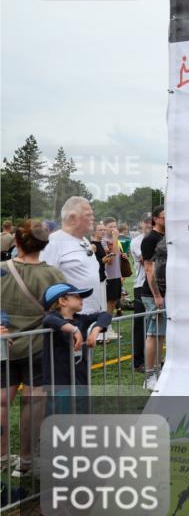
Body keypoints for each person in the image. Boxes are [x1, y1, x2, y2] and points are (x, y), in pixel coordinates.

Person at [0, 220, 66, 478]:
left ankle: (2, 457)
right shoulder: (53, 275)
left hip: (5, 346)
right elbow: (65, 310)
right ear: (45, 244)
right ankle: (26, 461)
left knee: (3, 402)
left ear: (16, 242)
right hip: (38, 347)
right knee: (32, 402)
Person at [42, 282, 110, 412]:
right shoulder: (52, 318)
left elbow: (105, 315)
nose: (82, 299)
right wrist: (74, 330)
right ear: (62, 301)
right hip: (60, 383)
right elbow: (48, 320)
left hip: (80, 380)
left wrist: (95, 330)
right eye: (77, 296)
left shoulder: (81, 319)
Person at [41, 197, 105, 313]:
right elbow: (43, 283)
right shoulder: (53, 243)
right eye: (88, 215)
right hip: (70, 322)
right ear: (72, 218)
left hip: (91, 318)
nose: (93, 218)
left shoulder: (84, 240)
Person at [139, 206, 166, 390]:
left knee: (161, 334)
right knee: (153, 334)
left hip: (167, 292)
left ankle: (158, 371)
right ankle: (149, 376)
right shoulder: (150, 239)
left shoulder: (169, 238)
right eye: (165, 216)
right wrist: (156, 295)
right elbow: (149, 269)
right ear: (156, 219)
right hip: (152, 293)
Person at [130, 216, 151, 373]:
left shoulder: (161, 238)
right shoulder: (137, 241)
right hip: (141, 285)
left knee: (155, 321)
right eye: (146, 223)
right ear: (141, 224)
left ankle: (154, 358)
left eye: (152, 223)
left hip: (159, 284)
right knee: (140, 324)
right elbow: (147, 260)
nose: (149, 226)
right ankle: (138, 362)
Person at [101, 218, 124, 336]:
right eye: (110, 226)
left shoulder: (114, 240)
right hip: (108, 277)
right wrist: (115, 238)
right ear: (104, 227)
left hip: (116, 275)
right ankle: (105, 329)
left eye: (115, 226)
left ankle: (107, 327)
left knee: (113, 303)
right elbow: (112, 258)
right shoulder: (104, 241)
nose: (113, 229)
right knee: (108, 304)